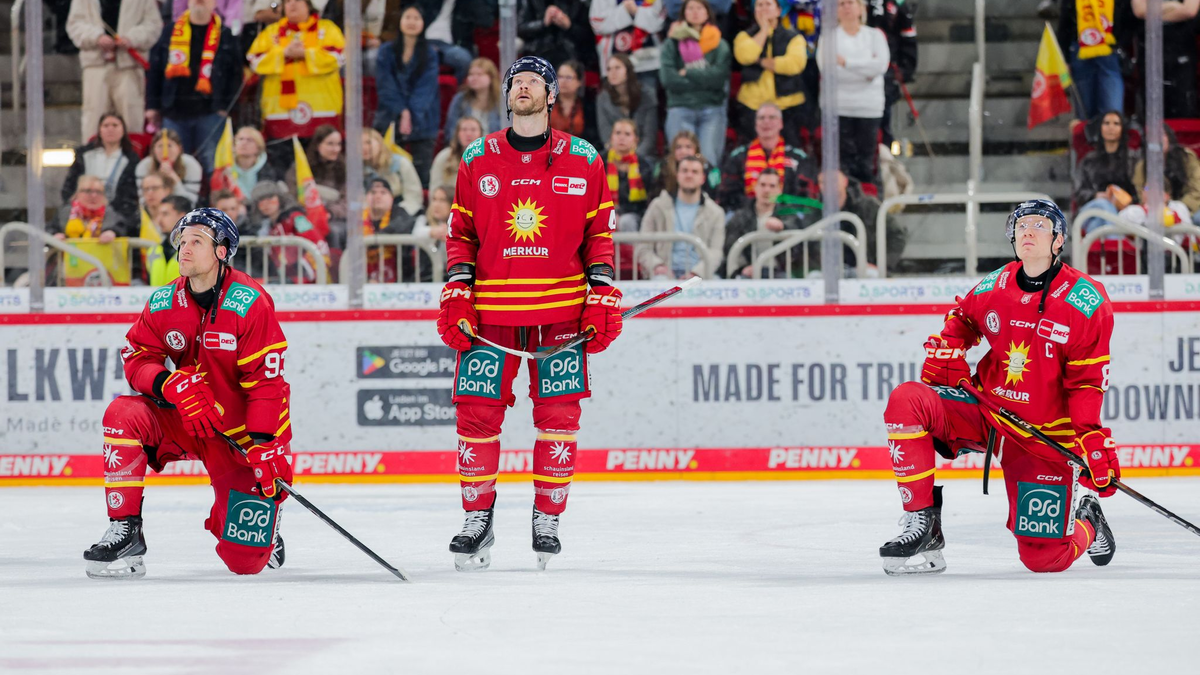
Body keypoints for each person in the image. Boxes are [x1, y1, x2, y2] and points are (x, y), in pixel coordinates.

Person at [436, 56, 621, 572]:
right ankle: (478, 518)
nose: (522, 89)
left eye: (532, 83)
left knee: (560, 417)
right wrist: (457, 287)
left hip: (560, 317)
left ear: (551, 95)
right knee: (475, 417)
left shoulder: (585, 159)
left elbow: (599, 235)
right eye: (515, 83)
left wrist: (601, 289)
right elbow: (461, 234)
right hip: (490, 316)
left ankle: (548, 517)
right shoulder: (477, 156)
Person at [879, 198, 1118, 576]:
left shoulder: (1085, 302)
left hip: (1041, 437)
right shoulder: (997, 284)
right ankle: (924, 524)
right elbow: (962, 318)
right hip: (988, 414)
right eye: (1021, 225)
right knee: (908, 400)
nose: (1028, 230)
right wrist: (951, 345)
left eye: (1040, 224)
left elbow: (1087, 382)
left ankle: (1089, 518)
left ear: (1059, 240)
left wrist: (1090, 439)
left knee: (1044, 559)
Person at [82, 208, 292, 579]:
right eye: (182, 240)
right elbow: (137, 357)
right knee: (122, 414)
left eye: (197, 241)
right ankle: (126, 529)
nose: (185, 248)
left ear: (223, 251)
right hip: (188, 419)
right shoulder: (164, 301)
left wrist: (263, 442)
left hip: (239, 437)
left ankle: (265, 524)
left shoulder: (251, 302)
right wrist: (167, 384)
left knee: (245, 562)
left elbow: (267, 384)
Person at [146, 0, 244, 172]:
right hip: (174, 110)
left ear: (214, 3)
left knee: (212, 164)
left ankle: (212, 199)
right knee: (172, 164)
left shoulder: (225, 34)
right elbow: (155, 70)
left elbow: (235, 75)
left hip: (211, 111)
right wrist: (152, 105)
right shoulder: (170, 31)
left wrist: (226, 107)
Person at [247, 0, 346, 153]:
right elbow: (254, 61)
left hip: (322, 109)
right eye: (287, 1)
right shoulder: (271, 32)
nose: (292, 4)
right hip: (279, 112)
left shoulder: (327, 28)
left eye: (298, 0)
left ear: (309, 5)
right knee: (283, 159)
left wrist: (306, 54)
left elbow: (339, 56)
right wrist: (283, 53)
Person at [816, 0, 890, 186]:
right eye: (841, 4)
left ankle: (867, 205)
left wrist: (846, 63)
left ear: (861, 8)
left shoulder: (875, 36)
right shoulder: (828, 38)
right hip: (838, 109)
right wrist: (865, 71)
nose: (846, 7)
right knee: (842, 165)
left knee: (866, 164)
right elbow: (827, 69)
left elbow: (880, 66)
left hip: (868, 108)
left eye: (850, 2)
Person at [66, 0, 163, 140]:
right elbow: (74, 25)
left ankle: (132, 158)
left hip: (129, 66)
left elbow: (153, 25)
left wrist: (132, 38)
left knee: (131, 117)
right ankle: (93, 158)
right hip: (96, 66)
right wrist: (96, 37)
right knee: (94, 118)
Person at [374, 3, 441, 185]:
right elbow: (385, 85)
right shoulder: (386, 51)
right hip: (390, 116)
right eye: (408, 17)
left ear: (423, 23)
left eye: (416, 18)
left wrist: (411, 114)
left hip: (423, 119)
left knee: (421, 175)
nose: (411, 22)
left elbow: (426, 88)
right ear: (400, 21)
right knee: (390, 174)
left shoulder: (430, 53)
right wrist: (402, 111)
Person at [660, 0, 732, 166]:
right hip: (680, 107)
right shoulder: (671, 44)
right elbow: (669, 79)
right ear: (683, 12)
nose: (695, 12)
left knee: (708, 163)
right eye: (690, 8)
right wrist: (703, 79)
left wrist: (689, 73)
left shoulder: (720, 45)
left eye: (699, 8)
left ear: (708, 13)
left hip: (712, 109)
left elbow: (718, 79)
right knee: (681, 165)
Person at [733, 0, 808, 146]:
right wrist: (763, 30)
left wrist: (761, 62)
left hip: (788, 106)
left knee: (788, 153)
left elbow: (795, 64)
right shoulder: (744, 36)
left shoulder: (794, 38)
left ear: (779, 10)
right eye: (759, 5)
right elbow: (746, 56)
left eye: (768, 4)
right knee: (753, 152)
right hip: (752, 105)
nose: (763, 8)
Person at [637, 155, 726, 279]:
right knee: (660, 285)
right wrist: (657, 266)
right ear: (677, 176)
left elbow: (716, 252)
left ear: (702, 178)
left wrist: (696, 273)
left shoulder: (716, 212)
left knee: (719, 290)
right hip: (664, 273)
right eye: (685, 171)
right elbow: (643, 246)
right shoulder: (658, 206)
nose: (689, 175)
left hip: (701, 275)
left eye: (694, 172)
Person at [718, 103, 814, 211]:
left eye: (772, 117)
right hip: (745, 216)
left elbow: (806, 196)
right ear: (755, 124)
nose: (766, 122)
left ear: (781, 123)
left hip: (787, 216)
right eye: (761, 118)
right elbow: (727, 195)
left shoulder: (798, 158)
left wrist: (783, 214)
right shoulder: (738, 156)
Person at [813, 169, 907, 274]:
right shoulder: (815, 212)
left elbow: (897, 235)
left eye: (833, 180)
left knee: (871, 275)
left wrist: (881, 265)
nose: (828, 186)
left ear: (845, 181)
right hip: (828, 272)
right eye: (823, 182)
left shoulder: (868, 206)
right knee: (813, 276)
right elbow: (808, 247)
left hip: (866, 270)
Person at [62, 113, 141, 227]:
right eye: (106, 125)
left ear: (123, 130)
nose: (110, 129)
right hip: (82, 212)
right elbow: (69, 186)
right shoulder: (84, 155)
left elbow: (130, 193)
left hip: (116, 213)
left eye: (115, 125)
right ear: (99, 130)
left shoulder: (131, 159)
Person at [722, 168, 801, 278]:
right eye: (763, 185)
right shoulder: (740, 216)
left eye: (772, 186)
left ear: (780, 189)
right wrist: (743, 268)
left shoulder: (788, 214)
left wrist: (783, 226)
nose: (767, 190)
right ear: (755, 187)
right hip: (748, 273)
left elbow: (798, 239)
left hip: (779, 273)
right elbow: (730, 246)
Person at [1074, 111, 1139, 236]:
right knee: (1104, 205)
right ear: (1100, 128)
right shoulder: (1088, 160)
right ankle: (1116, 244)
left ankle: (1102, 253)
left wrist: (1124, 201)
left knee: (1097, 225)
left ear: (1122, 128)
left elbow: (1141, 188)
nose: (1111, 127)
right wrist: (1096, 196)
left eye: (1116, 123)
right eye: (1106, 123)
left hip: (1125, 209)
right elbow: (1078, 193)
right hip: (1092, 208)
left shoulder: (1133, 159)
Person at [1131, 0, 1198, 119]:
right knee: (1151, 100)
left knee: (1183, 100)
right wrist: (1173, 6)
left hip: (1182, 46)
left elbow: (1189, 11)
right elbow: (1139, 11)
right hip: (1149, 46)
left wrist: (1153, 12)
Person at [250, 180, 325, 283]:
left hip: (306, 279)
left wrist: (306, 269)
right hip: (283, 279)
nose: (266, 204)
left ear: (280, 199)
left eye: (270, 198)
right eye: (261, 201)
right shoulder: (266, 229)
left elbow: (317, 243)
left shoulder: (295, 218)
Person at [866, 0, 918, 146]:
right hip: (853, 74)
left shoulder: (897, 4)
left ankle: (882, 159)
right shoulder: (850, 4)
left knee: (882, 124)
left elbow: (907, 36)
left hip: (886, 73)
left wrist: (905, 69)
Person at [287, 124, 347, 249]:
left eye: (338, 144)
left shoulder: (346, 168)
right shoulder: (300, 167)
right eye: (330, 144)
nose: (335, 149)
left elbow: (348, 200)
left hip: (334, 219)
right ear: (318, 145)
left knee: (333, 232)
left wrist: (330, 212)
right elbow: (292, 193)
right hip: (304, 216)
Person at [1133, 125, 1200, 225]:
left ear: (1169, 138)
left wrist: (1177, 208)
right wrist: (1149, 192)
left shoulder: (1187, 158)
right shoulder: (1142, 166)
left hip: (1189, 208)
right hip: (1156, 210)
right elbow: (1142, 190)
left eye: (1161, 135)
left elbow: (1196, 189)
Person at [596, 54, 659, 158]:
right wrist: (618, 156)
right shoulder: (602, 98)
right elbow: (605, 133)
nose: (612, 73)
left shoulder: (647, 96)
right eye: (609, 69)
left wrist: (634, 158)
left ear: (628, 71)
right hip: (614, 154)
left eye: (617, 68)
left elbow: (649, 136)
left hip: (642, 155)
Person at [589, 0, 667, 82]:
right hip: (614, 64)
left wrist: (636, 11)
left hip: (648, 63)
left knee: (647, 92)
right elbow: (596, 24)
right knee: (616, 94)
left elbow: (659, 22)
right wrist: (624, 10)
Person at [415, 0, 495, 79]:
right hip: (423, 42)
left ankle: (456, 90)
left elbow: (487, 22)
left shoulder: (465, 3)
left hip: (450, 46)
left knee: (463, 59)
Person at [606, 118, 658, 233]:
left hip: (634, 215)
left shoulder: (644, 166)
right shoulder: (600, 161)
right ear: (611, 137)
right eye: (618, 133)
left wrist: (619, 213)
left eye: (627, 134)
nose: (621, 137)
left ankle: (633, 251)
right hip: (604, 212)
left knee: (626, 221)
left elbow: (646, 201)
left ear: (636, 140)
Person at [361, 176, 416, 283]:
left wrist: (373, 241)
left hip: (399, 279)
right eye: (373, 192)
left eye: (383, 192)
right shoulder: (358, 219)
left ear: (391, 198)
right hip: (366, 279)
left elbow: (403, 226)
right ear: (366, 197)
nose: (377, 196)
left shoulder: (400, 214)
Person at [363, 128, 424, 218]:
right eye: (358, 144)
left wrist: (395, 215)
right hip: (369, 217)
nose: (364, 147)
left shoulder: (400, 163)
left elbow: (414, 197)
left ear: (379, 143)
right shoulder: (357, 170)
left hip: (402, 215)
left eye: (368, 142)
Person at [518, 0, 595, 69]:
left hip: (570, 53)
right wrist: (543, 23)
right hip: (538, 51)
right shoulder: (531, 2)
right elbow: (520, 29)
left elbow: (588, 37)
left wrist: (569, 26)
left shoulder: (579, 4)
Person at [135, 129, 205, 204]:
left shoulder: (191, 165)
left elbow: (190, 203)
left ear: (179, 148)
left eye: (169, 146)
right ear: (153, 150)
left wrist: (174, 179)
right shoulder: (144, 166)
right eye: (160, 146)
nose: (165, 151)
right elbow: (143, 202)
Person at [51, 175, 128, 241]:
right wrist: (55, 235)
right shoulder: (65, 213)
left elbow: (121, 229)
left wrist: (112, 233)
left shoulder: (111, 214)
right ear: (77, 193)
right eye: (88, 191)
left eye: (98, 192)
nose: (93, 195)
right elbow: (50, 229)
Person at [443, 58, 504, 141]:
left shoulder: (502, 101)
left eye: (479, 74)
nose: (473, 78)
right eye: (471, 74)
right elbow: (451, 131)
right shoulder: (460, 99)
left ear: (491, 78)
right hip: (465, 149)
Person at [653, 129, 719, 198]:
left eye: (688, 147)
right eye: (678, 147)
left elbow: (714, 197)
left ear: (696, 150)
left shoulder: (708, 169)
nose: (683, 151)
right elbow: (655, 194)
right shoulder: (663, 166)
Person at [146, 195, 193, 286]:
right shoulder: (153, 251)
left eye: (165, 214)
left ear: (182, 217)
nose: (159, 220)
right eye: (158, 214)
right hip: (160, 300)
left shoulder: (196, 250)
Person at [430, 116, 484, 195]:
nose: (468, 134)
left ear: (481, 134)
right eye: (464, 130)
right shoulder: (444, 156)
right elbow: (434, 188)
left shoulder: (490, 158)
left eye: (473, 130)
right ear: (457, 134)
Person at [549, 60, 597, 145]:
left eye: (568, 77)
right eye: (560, 77)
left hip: (578, 151)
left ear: (579, 82)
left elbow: (592, 136)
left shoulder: (588, 106)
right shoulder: (546, 102)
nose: (563, 81)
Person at [230, 126, 282, 201]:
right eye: (240, 139)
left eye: (249, 140)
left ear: (259, 147)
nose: (244, 143)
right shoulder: (226, 169)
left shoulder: (268, 171)